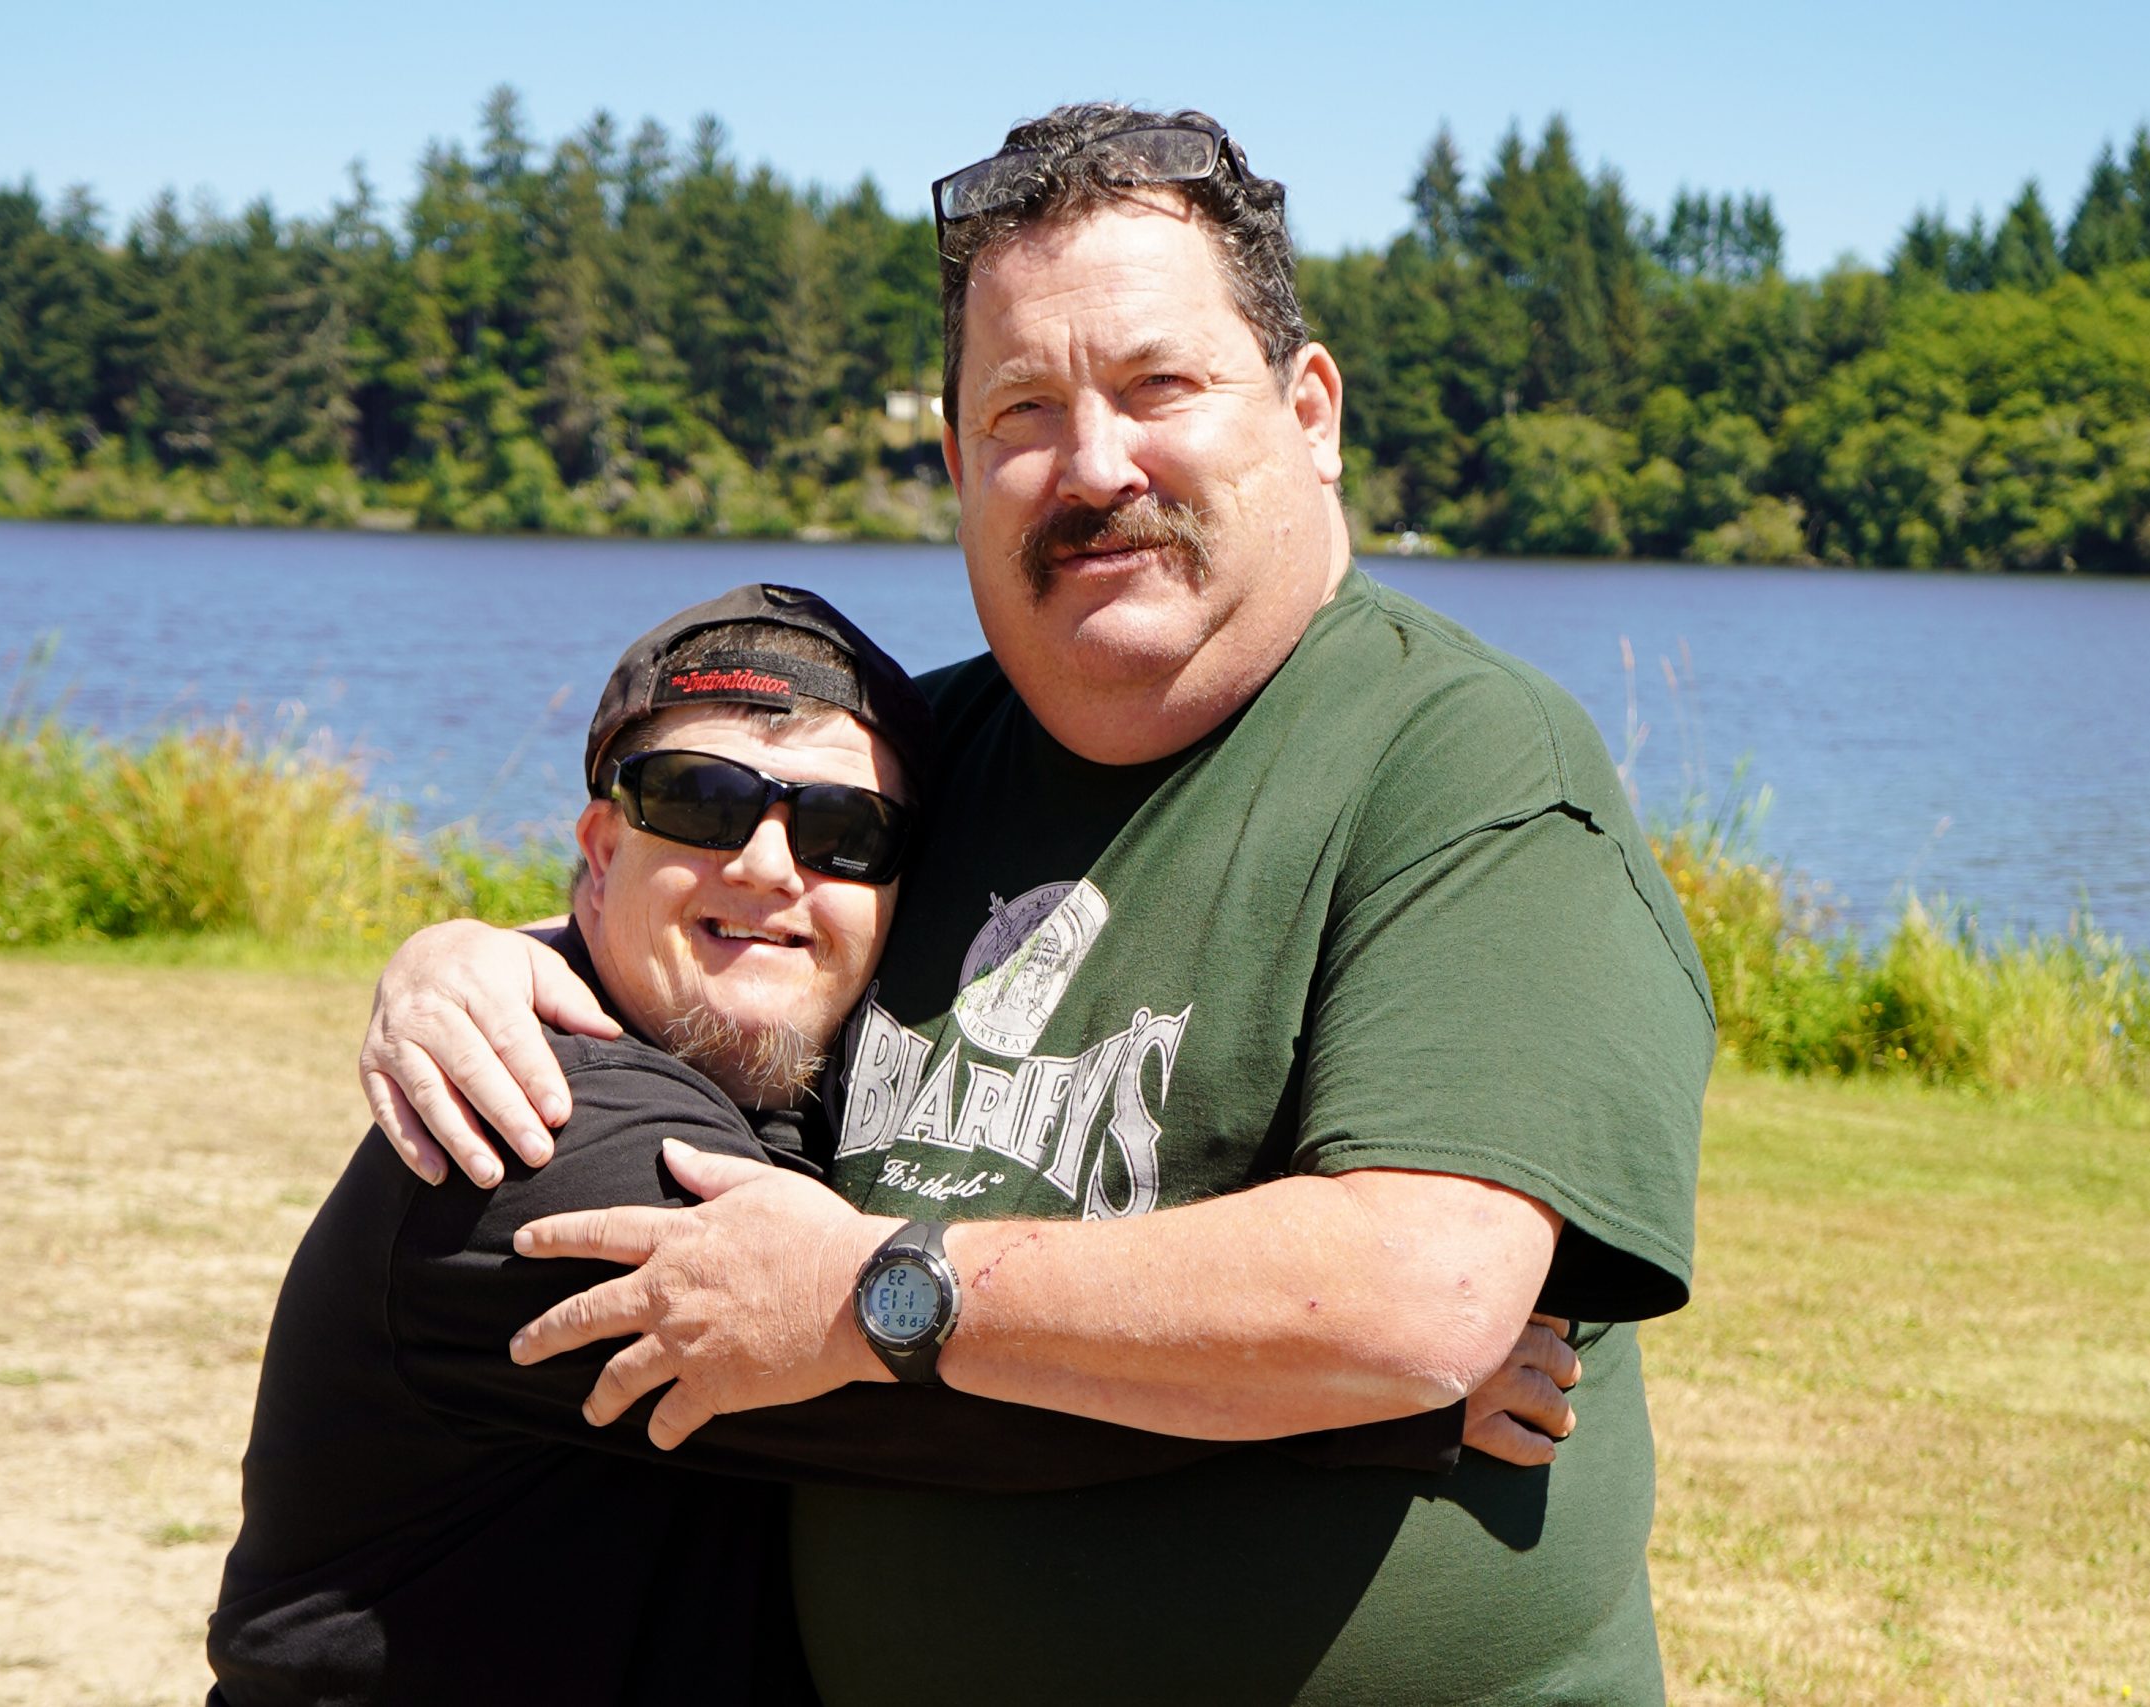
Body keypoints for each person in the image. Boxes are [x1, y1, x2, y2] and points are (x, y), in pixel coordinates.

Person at [363, 104, 1715, 1705]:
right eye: (1022, 410)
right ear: (956, 464)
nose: (1094, 466)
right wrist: (481, 958)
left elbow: (1417, 1297)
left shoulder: (1463, 764)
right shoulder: (914, 770)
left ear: (1310, 411)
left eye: (1160, 387)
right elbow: (730, 939)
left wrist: (872, 1293)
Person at [212, 585, 1578, 1706]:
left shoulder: (798, 1087)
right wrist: (1360, 1381)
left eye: (843, 831)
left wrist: (483, 941)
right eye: (697, 800)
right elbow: (956, 1395)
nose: (767, 865)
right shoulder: (525, 1131)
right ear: (600, 848)